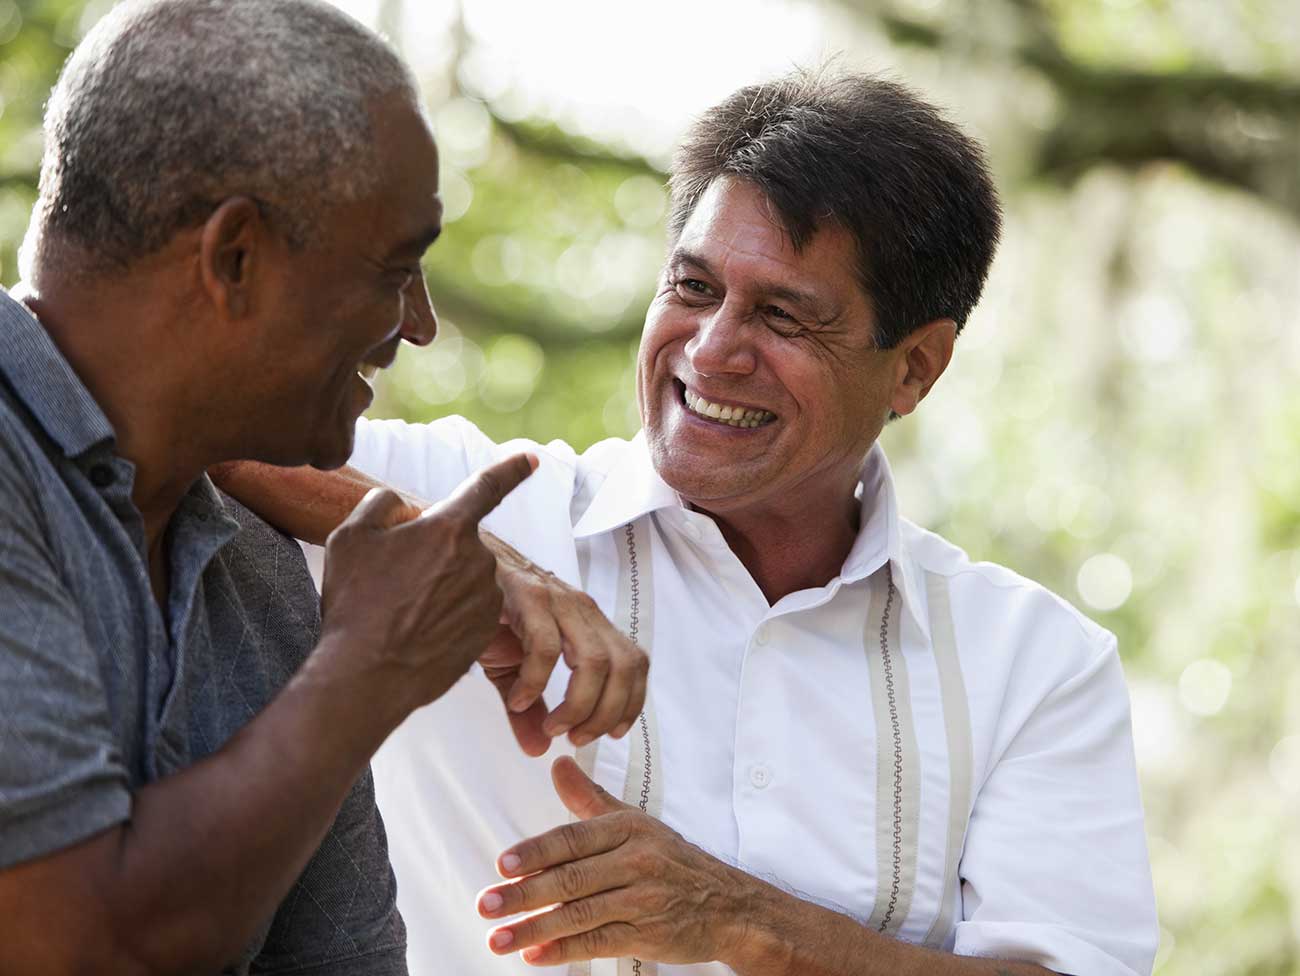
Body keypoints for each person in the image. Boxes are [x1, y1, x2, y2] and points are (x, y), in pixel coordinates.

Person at [217, 70, 1159, 975]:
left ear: (915, 367)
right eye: (694, 289)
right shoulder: (482, 503)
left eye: (785, 318)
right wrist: (466, 557)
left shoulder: (1034, 665)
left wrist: (740, 922)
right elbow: (165, 413)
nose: (711, 353)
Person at [0, 1, 644, 973]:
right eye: (395, 269)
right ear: (235, 258)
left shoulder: (257, 576)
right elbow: (70, 945)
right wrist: (368, 667)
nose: (419, 326)